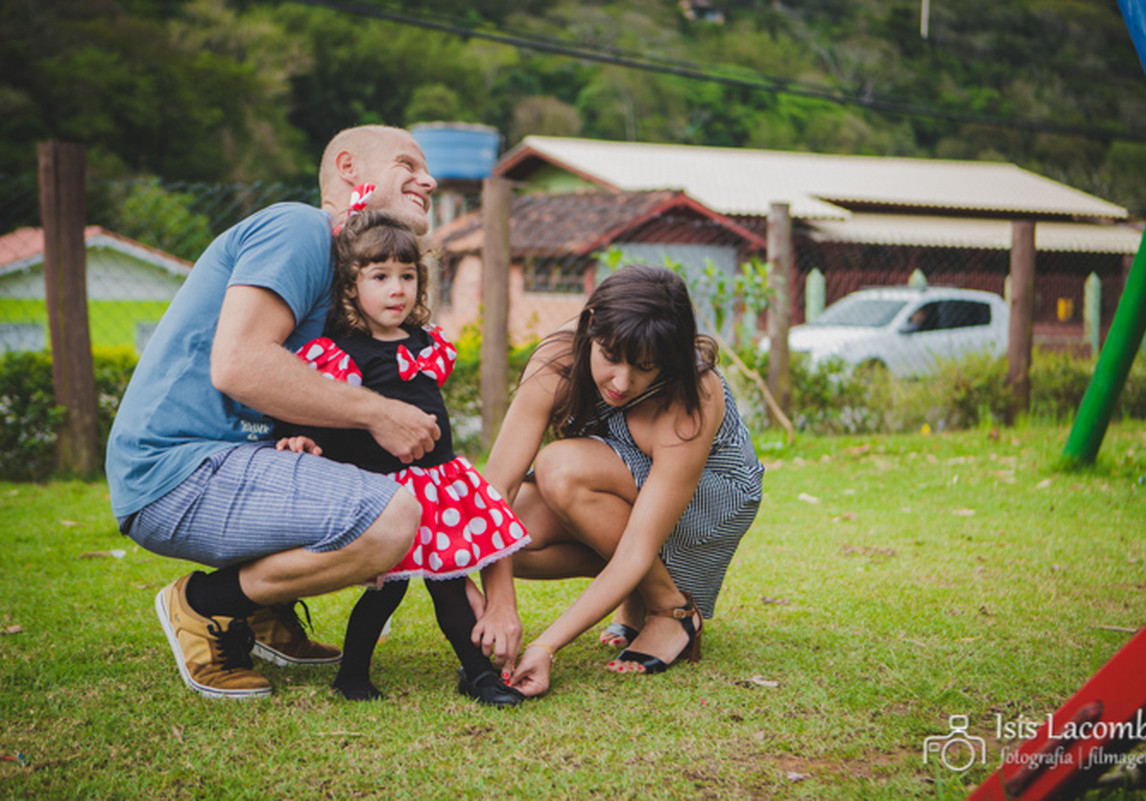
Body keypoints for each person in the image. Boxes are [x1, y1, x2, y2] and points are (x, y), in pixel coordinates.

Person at [105, 125, 520, 699]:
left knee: (397, 498)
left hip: (237, 460)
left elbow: (305, 389)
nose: (428, 179)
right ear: (349, 167)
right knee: (393, 517)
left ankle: (262, 609)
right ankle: (203, 605)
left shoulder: (346, 281)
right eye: (407, 164)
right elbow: (239, 365)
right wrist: (379, 413)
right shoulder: (300, 228)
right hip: (178, 470)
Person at [275, 209, 529, 706]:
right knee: (384, 591)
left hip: (441, 487)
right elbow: (316, 403)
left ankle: (477, 674)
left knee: (450, 586)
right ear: (351, 287)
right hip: (387, 493)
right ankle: (352, 673)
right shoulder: (340, 352)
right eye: (380, 277)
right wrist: (300, 435)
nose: (397, 289)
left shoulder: (427, 343)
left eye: (407, 276)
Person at [480, 264, 765, 697]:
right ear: (591, 326)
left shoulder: (695, 394)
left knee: (561, 469)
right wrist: (501, 604)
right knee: (514, 537)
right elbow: (495, 492)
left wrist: (546, 645)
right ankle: (639, 593)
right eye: (610, 358)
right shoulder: (557, 358)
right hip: (621, 474)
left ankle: (672, 612)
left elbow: (634, 549)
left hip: (712, 491)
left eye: (645, 368)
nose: (621, 382)